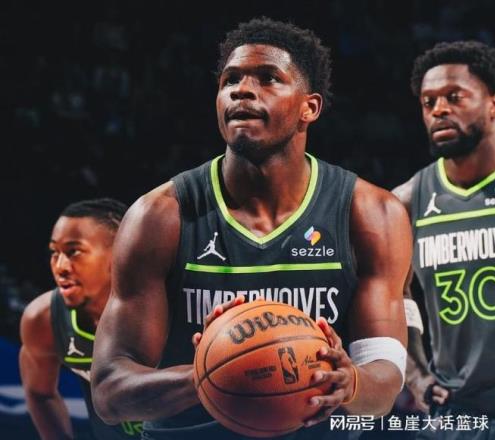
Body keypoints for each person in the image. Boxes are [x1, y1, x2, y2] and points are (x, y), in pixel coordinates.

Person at [91, 17, 412, 440]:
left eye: (268, 78)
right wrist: (213, 372)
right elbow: (110, 393)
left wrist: (349, 382)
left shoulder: (371, 213)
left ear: (310, 108)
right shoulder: (159, 216)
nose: (242, 90)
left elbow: (385, 382)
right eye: (231, 80)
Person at [393, 40, 495, 437]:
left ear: (494, 105)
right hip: (457, 411)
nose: (439, 109)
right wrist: (415, 374)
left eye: (454, 97)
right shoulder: (407, 201)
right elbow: (393, 293)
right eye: (428, 102)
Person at [19, 198, 143, 439]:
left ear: (120, 250)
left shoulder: (174, 302)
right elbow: (39, 394)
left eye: (73, 251)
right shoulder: (44, 319)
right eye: (55, 253)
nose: (60, 266)